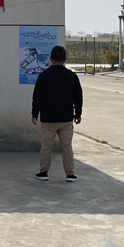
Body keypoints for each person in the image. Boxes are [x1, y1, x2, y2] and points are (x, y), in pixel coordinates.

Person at [31, 45, 83, 182]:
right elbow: (78, 97)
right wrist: (78, 114)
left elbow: (37, 97)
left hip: (48, 119)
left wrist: (34, 114)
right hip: (66, 119)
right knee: (67, 147)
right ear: (65, 59)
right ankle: (70, 174)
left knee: (46, 147)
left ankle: (43, 172)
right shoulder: (72, 76)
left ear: (50, 59)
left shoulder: (43, 76)